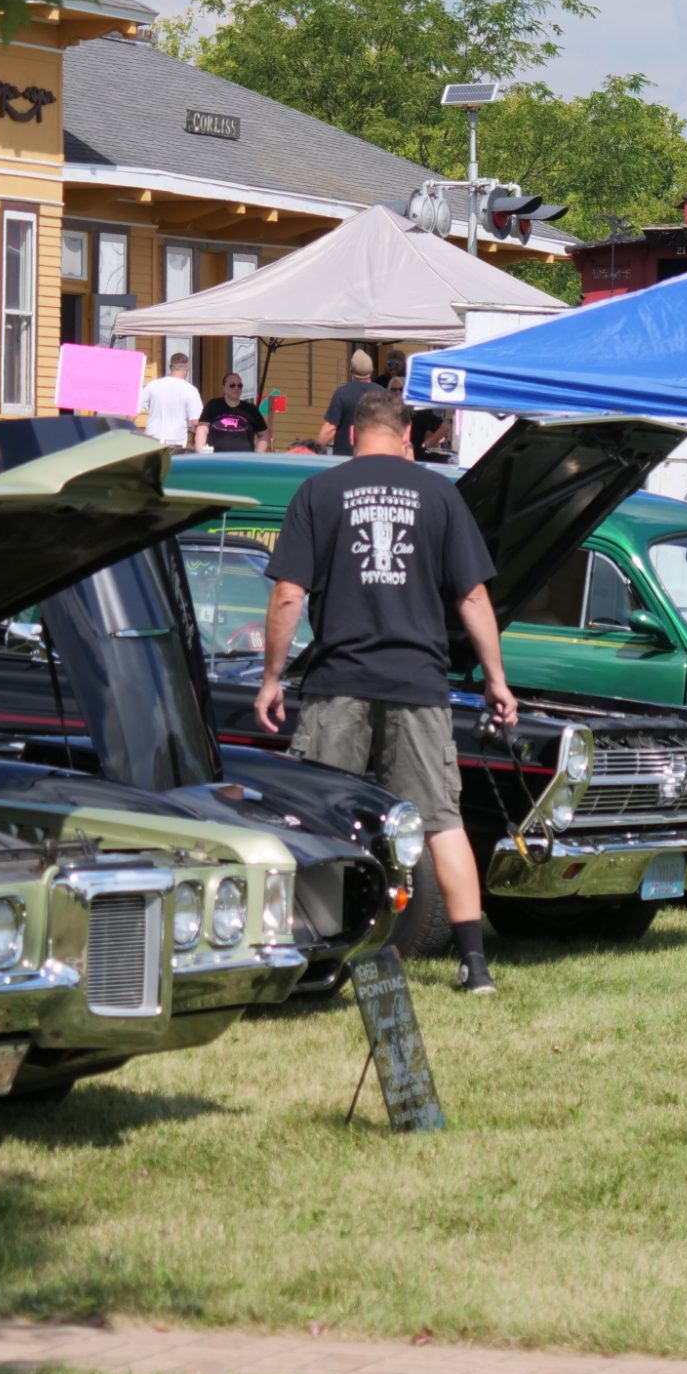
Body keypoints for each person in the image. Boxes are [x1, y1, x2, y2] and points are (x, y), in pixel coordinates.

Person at [253, 389, 518, 994]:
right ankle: (474, 965)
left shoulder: (319, 493)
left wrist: (272, 678)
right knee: (440, 819)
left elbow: (288, 594)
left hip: (338, 679)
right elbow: (473, 597)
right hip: (418, 681)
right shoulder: (440, 494)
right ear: (407, 438)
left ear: (350, 436)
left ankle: (313, 955)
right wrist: (497, 680)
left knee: (319, 817)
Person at [318, 348, 380, 456]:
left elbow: (330, 428)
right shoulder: (383, 394)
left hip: (345, 459)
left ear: (351, 370)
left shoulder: (342, 393)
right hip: (374, 457)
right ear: (372, 370)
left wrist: (314, 449)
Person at [137, 352, 203, 452]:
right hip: (175, 445)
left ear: (170, 367)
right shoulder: (190, 390)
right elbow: (196, 422)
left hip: (151, 441)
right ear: (186, 369)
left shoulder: (153, 385)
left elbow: (135, 408)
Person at [195, 370, 270, 454]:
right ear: (224, 388)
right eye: (232, 385)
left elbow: (264, 435)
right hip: (216, 459)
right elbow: (202, 430)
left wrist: (258, 454)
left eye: (239, 385)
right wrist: (201, 453)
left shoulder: (251, 409)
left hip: (244, 461)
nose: (236, 388)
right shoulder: (212, 405)